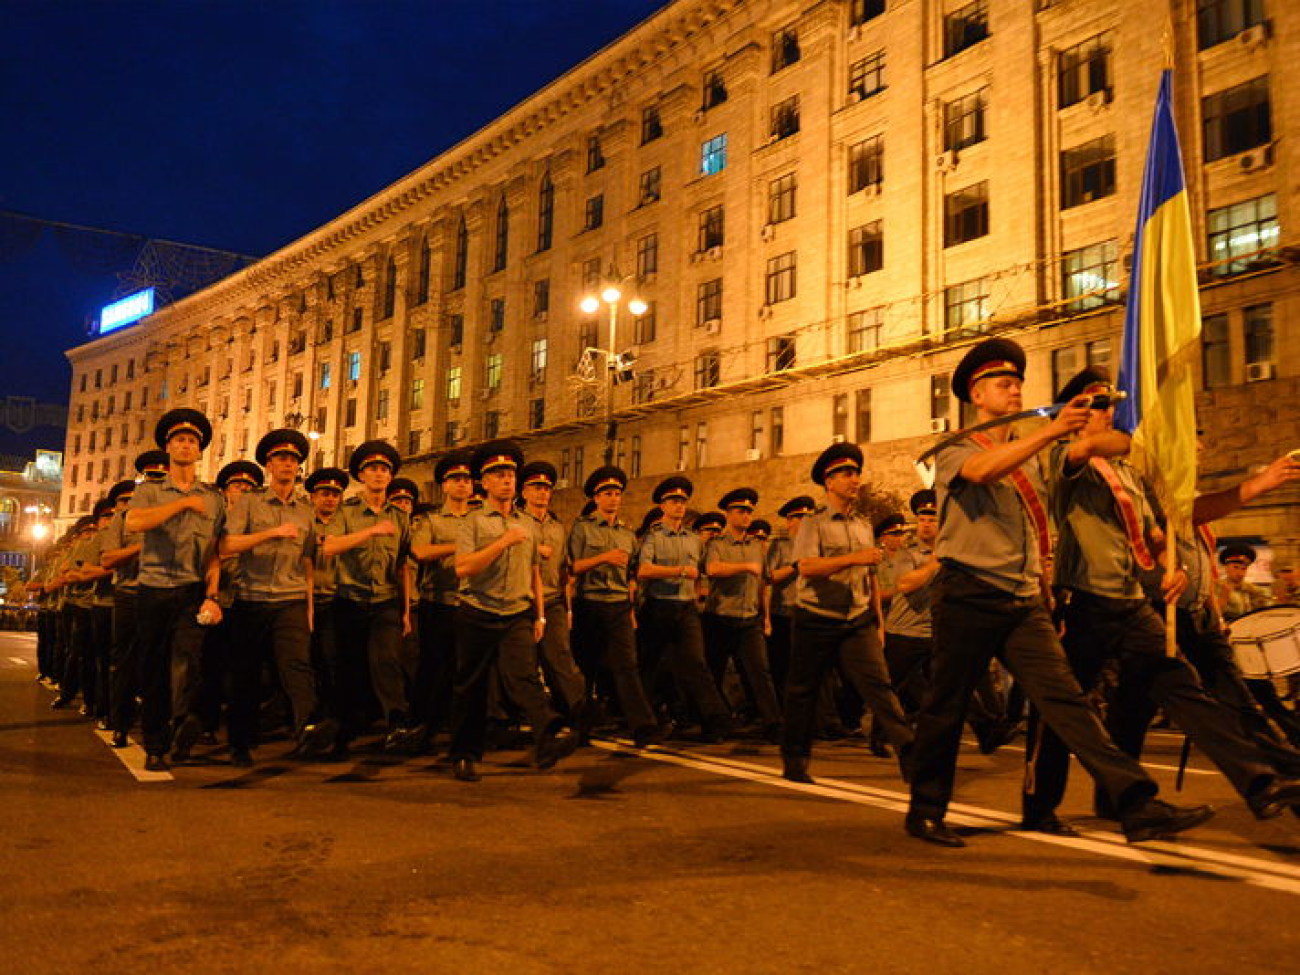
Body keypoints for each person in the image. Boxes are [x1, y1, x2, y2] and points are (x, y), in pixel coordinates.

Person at [905, 338, 1212, 847]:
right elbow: (983, 472)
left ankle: (1136, 805)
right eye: (1004, 384)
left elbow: (1039, 523)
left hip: (1023, 601)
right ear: (976, 395)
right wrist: (1050, 430)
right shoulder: (955, 450)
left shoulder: (1030, 458)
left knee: (1068, 702)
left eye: (1018, 382)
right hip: (968, 593)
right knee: (946, 705)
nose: (1015, 389)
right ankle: (926, 809)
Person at [1022, 367, 1300, 833]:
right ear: (1073, 411)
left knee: (1183, 688)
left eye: (1110, 403)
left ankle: (1260, 783)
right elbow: (1087, 447)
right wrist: (1156, 443)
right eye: (1097, 403)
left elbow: (1154, 530)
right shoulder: (1063, 458)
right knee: (1062, 708)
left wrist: (1170, 565)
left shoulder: (1130, 471)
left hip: (1131, 602)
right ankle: (1039, 805)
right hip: (1085, 603)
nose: (1109, 411)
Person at [780, 443, 912, 785]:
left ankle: (910, 754)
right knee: (802, 691)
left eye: (856, 472)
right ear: (829, 481)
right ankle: (795, 759)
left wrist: (877, 622)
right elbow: (806, 566)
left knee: (879, 686)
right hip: (815, 618)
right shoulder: (814, 524)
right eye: (847, 474)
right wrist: (852, 559)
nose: (855, 479)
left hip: (856, 620)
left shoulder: (864, 525)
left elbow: (869, 577)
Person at [448, 440, 574, 781]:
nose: (506, 481)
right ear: (484, 483)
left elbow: (534, 570)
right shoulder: (472, 522)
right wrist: (502, 542)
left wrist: (540, 614)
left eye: (510, 475)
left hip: (517, 612)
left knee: (525, 677)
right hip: (478, 610)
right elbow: (463, 568)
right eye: (498, 475)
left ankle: (546, 737)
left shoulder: (527, 524)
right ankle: (464, 754)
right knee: (470, 687)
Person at [219, 429, 336, 767]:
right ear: (269, 464)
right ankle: (240, 743)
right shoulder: (249, 502)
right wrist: (270, 532)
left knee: (297, 666)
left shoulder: (305, 508)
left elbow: (310, 558)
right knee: (247, 674)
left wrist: (310, 604)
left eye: (294, 460)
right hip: (251, 598)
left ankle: (308, 728)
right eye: (281, 458)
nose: (288, 464)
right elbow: (226, 546)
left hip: (291, 599)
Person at [125, 408, 225, 771]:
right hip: (152, 588)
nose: (186, 445)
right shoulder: (150, 491)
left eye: (192, 441)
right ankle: (155, 742)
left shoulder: (213, 498)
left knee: (188, 661)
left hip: (190, 589)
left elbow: (216, 550)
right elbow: (135, 522)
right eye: (179, 440)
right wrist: (180, 503)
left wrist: (213, 595)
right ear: (168, 448)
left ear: (199, 451)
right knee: (152, 669)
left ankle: (182, 722)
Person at [321, 440, 413, 751]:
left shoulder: (400, 517)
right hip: (349, 598)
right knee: (350, 665)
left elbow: (403, 565)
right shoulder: (347, 512)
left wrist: (406, 610)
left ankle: (397, 721)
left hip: (385, 599)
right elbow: (330, 547)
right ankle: (347, 728)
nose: (378, 474)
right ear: (361, 474)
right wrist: (370, 532)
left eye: (384, 469)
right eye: (372, 468)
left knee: (386, 660)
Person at [567, 466, 660, 746]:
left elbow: (632, 575)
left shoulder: (627, 534)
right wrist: (603, 558)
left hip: (618, 604)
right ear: (596, 498)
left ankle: (643, 727)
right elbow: (573, 567)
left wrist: (631, 609)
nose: (613, 499)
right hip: (590, 603)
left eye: (617, 493)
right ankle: (580, 726)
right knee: (587, 668)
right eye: (607, 493)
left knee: (627, 666)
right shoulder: (582, 528)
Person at [636, 476, 733, 742]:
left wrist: (700, 591)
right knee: (652, 666)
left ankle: (715, 721)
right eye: (673, 501)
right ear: (662, 506)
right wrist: (677, 570)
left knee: (696, 663)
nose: (679, 506)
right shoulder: (653, 537)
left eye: (682, 501)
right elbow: (643, 570)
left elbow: (701, 571)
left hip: (686, 608)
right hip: (659, 606)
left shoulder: (693, 539)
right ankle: (644, 721)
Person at [396, 451, 476, 753]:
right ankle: (422, 725)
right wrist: (460, 547)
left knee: (464, 670)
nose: (462, 485)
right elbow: (420, 552)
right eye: (455, 480)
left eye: (466, 480)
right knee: (433, 667)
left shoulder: (480, 518)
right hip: (437, 602)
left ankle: (458, 728)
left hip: (470, 603)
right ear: (444, 486)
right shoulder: (431, 519)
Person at [703, 488, 782, 741]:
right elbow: (713, 569)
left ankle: (773, 723)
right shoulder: (716, 544)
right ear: (728, 514)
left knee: (760, 671)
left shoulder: (757, 547)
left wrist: (766, 617)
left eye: (749, 511)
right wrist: (744, 567)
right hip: (720, 617)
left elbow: (763, 584)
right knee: (713, 671)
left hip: (749, 619)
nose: (746, 515)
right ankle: (714, 724)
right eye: (740, 511)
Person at [518, 460, 586, 726]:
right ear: (524, 492)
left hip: (553, 599)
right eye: (535, 487)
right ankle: (526, 717)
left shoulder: (557, 527)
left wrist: (568, 608)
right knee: (524, 664)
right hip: (523, 601)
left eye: (546, 488)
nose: (542, 492)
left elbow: (563, 571)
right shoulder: (516, 522)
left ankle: (576, 714)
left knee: (560, 658)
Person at [305, 466, 348, 751]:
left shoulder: (346, 524)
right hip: (304, 599)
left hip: (334, 599)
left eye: (334, 494)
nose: (330, 499)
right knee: (306, 661)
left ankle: (332, 718)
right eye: (324, 493)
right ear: (313, 497)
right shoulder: (304, 522)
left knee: (332, 661)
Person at [98, 479, 143, 747]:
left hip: (164, 592)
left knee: (159, 662)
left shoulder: (171, 513)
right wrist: (142, 546)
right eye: (123, 501)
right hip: (127, 593)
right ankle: (119, 721)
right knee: (122, 662)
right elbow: (107, 560)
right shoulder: (122, 520)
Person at [764, 496, 815, 695]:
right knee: (781, 665)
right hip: (783, 612)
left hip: (809, 611)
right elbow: (770, 576)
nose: (804, 522)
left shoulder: (816, 543)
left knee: (806, 666)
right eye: (799, 517)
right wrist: (796, 566)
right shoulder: (780, 545)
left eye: (807, 517)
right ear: (789, 520)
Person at [1215, 545, 1273, 622]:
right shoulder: (1216, 587)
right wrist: (1223, 598)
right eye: (1235, 567)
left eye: (1244, 569)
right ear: (1226, 568)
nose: (1240, 573)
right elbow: (1211, 618)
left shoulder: (1253, 589)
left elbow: (1267, 612)